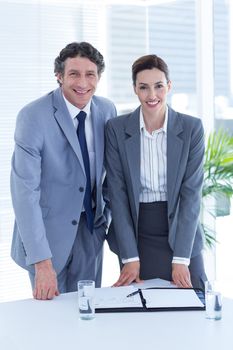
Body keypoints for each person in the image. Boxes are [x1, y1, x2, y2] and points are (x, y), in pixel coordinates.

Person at [11, 42, 116, 300]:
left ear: (99, 77)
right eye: (74, 74)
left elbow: (112, 175)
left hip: (91, 232)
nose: (82, 82)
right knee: (51, 322)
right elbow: (25, 192)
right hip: (49, 237)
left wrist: (105, 220)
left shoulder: (107, 111)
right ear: (59, 76)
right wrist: (41, 260)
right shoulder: (33, 116)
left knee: (87, 311)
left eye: (90, 74)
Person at [106, 54, 207, 290]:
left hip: (182, 232)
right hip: (137, 234)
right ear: (135, 89)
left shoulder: (192, 128)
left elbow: (191, 195)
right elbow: (117, 196)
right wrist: (130, 257)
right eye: (144, 87)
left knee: (195, 305)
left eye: (159, 86)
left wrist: (181, 259)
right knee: (142, 309)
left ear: (169, 86)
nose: (152, 95)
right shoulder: (117, 129)